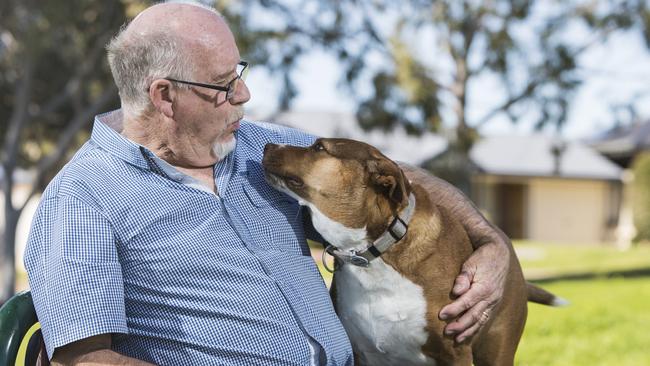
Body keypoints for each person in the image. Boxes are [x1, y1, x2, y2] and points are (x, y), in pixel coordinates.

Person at [24, 2, 512, 365]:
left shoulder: (260, 146)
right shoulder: (82, 199)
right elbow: (84, 361)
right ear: (165, 97)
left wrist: (490, 242)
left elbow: (387, 176)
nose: (244, 94)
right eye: (223, 84)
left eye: (239, 72)